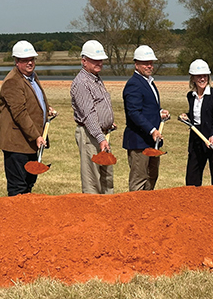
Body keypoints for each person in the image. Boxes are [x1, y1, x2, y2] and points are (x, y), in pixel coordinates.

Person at [0, 40, 53, 196]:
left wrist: (46, 109)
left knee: (29, 184)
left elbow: (33, 101)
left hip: (30, 142)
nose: (30, 63)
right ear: (16, 61)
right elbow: (20, 112)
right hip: (17, 144)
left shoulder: (32, 77)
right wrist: (36, 135)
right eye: (25, 60)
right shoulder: (13, 82)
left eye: (32, 59)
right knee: (18, 187)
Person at [122, 45, 170, 191]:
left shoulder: (149, 82)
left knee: (151, 177)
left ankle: (147, 210)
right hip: (139, 142)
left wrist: (159, 112)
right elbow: (134, 113)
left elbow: (147, 107)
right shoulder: (134, 84)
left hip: (151, 141)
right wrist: (152, 130)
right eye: (145, 63)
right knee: (139, 179)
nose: (149, 66)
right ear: (136, 64)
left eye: (151, 62)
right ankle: (135, 211)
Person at [71, 40, 115, 194]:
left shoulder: (94, 78)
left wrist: (107, 123)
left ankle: (108, 211)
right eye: (95, 60)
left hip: (101, 134)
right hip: (91, 136)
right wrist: (100, 137)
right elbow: (88, 114)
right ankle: (92, 215)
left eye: (101, 60)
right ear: (84, 61)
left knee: (106, 178)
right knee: (92, 179)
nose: (99, 63)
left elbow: (98, 107)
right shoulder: (82, 82)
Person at [180, 59, 213, 186]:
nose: (202, 79)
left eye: (205, 76)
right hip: (197, 140)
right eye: (199, 76)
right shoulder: (190, 96)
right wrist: (187, 116)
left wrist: (212, 136)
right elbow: (198, 115)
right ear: (193, 78)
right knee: (192, 177)